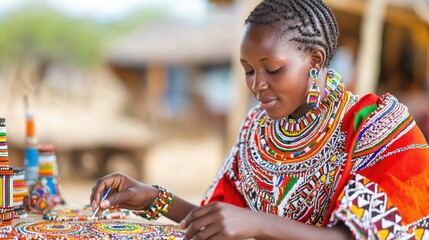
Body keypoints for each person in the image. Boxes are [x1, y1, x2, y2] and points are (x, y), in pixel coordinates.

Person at [90, 0, 429, 239]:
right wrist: (153, 198)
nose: (256, 84)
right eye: (248, 70)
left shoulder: (377, 125)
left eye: (273, 69)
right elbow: (223, 220)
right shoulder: (258, 129)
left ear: (316, 59)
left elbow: (378, 234)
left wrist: (258, 223)